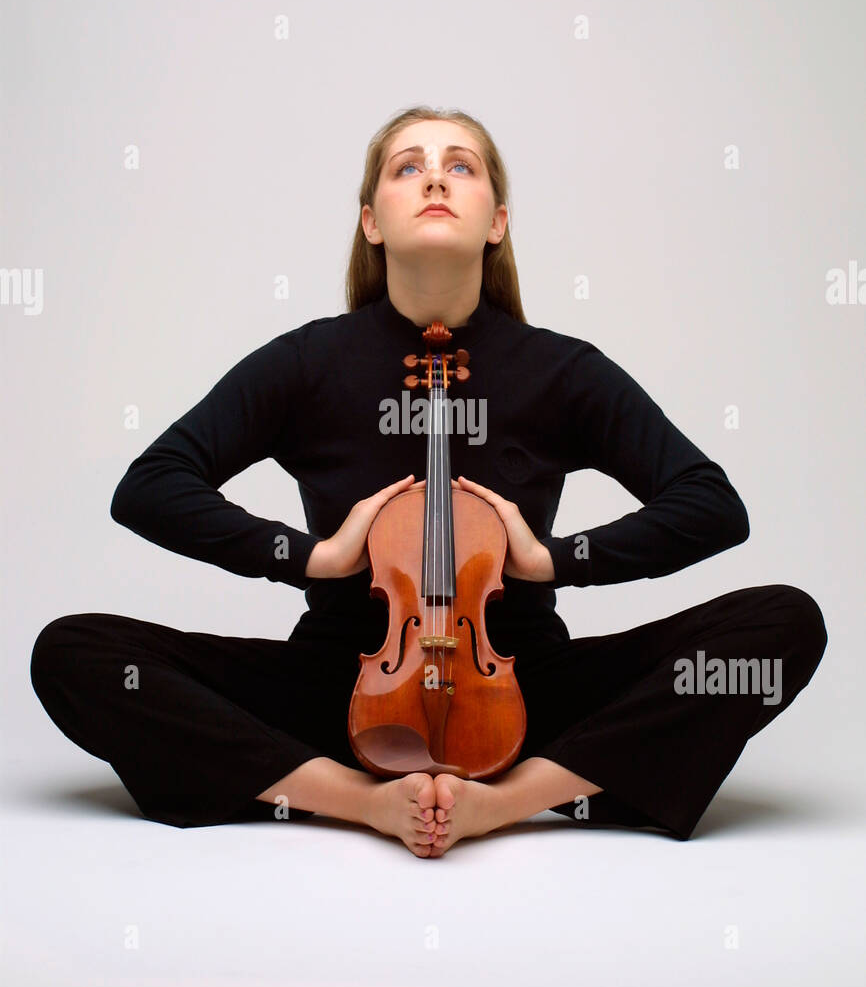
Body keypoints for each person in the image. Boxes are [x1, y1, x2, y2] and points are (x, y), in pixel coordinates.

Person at [29, 106, 828, 858]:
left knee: (783, 624)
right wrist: (314, 556)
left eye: (462, 167)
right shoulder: (309, 362)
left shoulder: (562, 370)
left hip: (528, 688)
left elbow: (710, 503)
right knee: (74, 652)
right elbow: (151, 484)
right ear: (372, 222)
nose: (437, 179)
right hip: (339, 690)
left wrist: (554, 560)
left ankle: (508, 798)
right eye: (409, 167)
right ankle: (355, 797)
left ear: (498, 221)